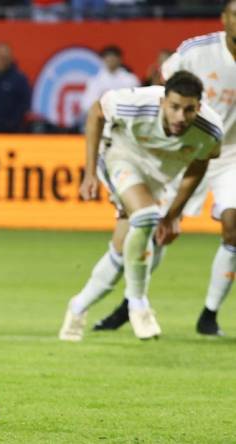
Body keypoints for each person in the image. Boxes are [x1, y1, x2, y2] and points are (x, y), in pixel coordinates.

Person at [93, 0, 236, 337]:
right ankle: (131, 303)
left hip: (230, 154)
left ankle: (209, 315)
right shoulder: (197, 52)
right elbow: (162, 85)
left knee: (233, 226)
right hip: (184, 152)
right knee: (154, 231)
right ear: (224, 19)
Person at [58, 71, 223, 341]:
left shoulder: (210, 130)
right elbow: (96, 113)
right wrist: (89, 173)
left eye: (189, 109)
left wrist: (173, 215)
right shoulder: (135, 103)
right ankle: (138, 304)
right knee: (146, 216)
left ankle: (77, 307)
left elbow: (199, 164)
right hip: (120, 155)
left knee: (122, 250)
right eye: (174, 107)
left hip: (159, 177)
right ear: (162, 102)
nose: (181, 116)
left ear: (199, 107)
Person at [80, 46, 140, 116]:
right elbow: (86, 105)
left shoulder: (130, 79)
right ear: (103, 60)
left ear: (120, 59)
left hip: (126, 116)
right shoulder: (95, 81)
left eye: (114, 57)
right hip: (102, 117)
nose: (111, 59)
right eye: (108, 57)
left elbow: (137, 102)